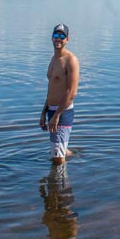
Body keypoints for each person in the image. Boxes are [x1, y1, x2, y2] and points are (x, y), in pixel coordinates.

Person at [40, 24, 79, 164]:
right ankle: (76, 156)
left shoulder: (71, 60)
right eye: (56, 35)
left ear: (67, 39)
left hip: (62, 112)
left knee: (57, 159)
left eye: (62, 36)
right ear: (52, 38)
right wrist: (44, 112)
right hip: (51, 110)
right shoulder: (53, 59)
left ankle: (61, 185)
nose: (58, 39)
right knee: (57, 150)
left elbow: (72, 92)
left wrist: (57, 116)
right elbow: (52, 88)